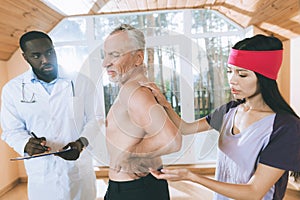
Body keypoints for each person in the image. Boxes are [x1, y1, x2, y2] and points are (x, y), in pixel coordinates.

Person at [143, 34, 300, 199]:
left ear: (264, 77)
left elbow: (254, 192)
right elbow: (185, 128)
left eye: (242, 74)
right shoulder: (230, 111)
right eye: (229, 71)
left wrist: (192, 176)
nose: (232, 80)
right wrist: (164, 103)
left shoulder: (285, 127)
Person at [0, 31, 101, 200]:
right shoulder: (13, 89)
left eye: (49, 52)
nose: (45, 60)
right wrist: (26, 144)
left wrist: (81, 143)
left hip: (78, 171)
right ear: (25, 57)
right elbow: (11, 130)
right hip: (42, 175)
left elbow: (96, 119)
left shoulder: (80, 81)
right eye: (36, 55)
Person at [102, 24, 182, 200]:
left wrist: (130, 156)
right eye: (105, 55)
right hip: (136, 187)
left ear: (138, 58)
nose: (105, 63)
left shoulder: (135, 92)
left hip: (135, 190)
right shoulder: (134, 89)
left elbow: (172, 140)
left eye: (115, 55)